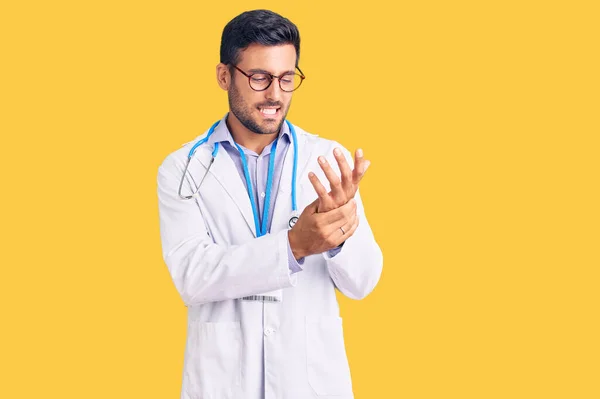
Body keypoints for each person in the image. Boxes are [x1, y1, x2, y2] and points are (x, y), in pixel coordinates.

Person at [156, 9, 383, 399]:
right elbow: (192, 277)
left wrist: (340, 238)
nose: (275, 94)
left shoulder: (327, 159)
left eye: (287, 78)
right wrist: (295, 246)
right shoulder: (182, 169)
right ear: (224, 75)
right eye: (259, 77)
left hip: (310, 384)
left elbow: (362, 283)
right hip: (223, 382)